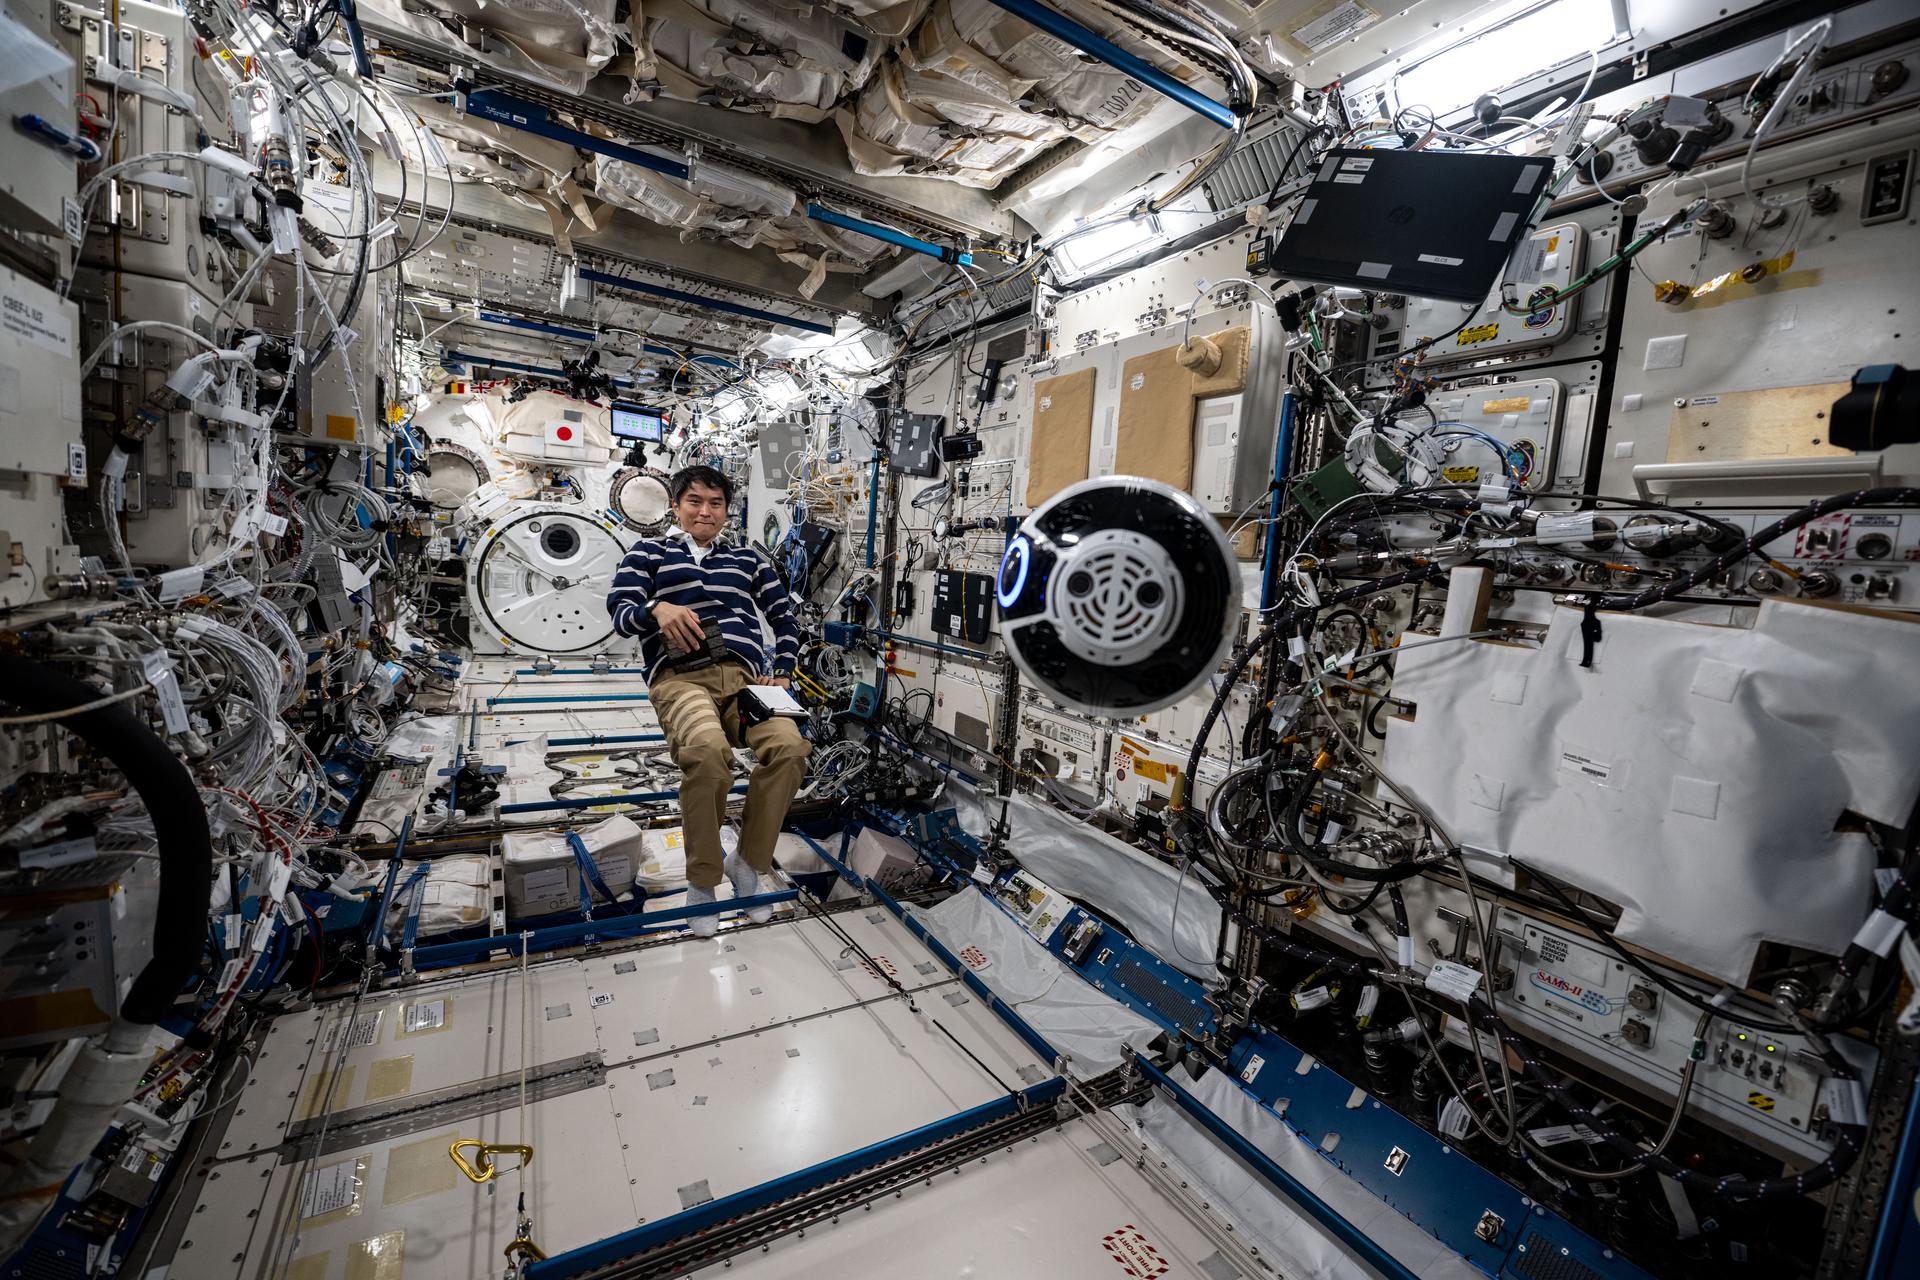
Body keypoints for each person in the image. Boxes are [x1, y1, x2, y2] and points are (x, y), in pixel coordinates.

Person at [605, 465, 808, 937]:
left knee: (791, 749)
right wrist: (656, 609)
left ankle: (748, 864)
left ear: (725, 512)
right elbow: (619, 613)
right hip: (680, 679)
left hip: (744, 680)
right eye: (695, 501)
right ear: (675, 507)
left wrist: (782, 672)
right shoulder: (649, 552)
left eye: (715, 504)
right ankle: (703, 881)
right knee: (709, 757)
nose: (705, 511)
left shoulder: (747, 560)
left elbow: (785, 619)